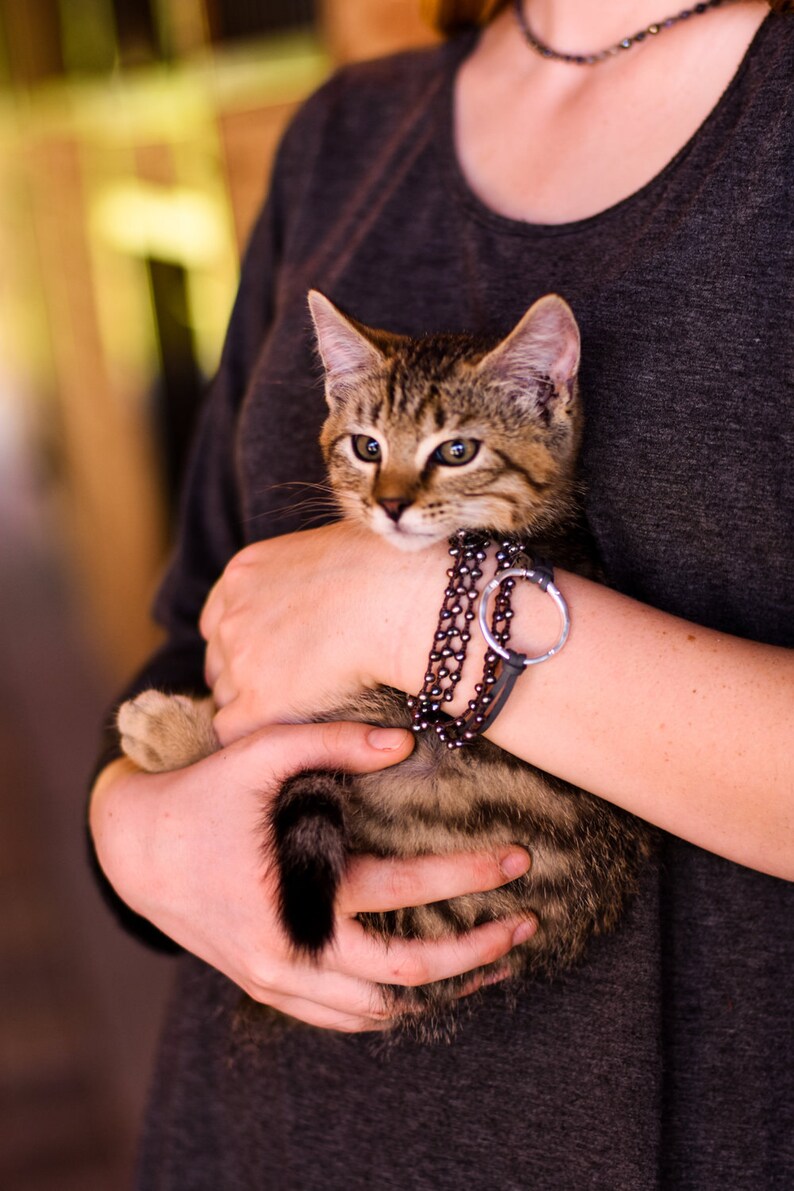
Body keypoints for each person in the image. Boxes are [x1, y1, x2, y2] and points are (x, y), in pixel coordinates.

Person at [89, 1, 793, 1186]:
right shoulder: (343, 137)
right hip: (262, 1135)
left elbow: (371, 603)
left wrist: (413, 612)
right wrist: (129, 831)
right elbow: (192, 627)